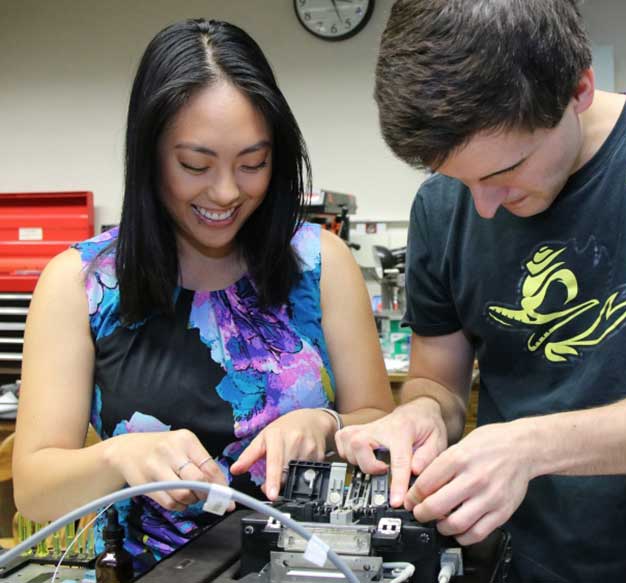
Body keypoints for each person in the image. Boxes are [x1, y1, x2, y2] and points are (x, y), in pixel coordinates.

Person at [335, 1, 626, 581]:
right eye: (459, 178)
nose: (483, 205)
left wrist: (530, 447)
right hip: (518, 561)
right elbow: (435, 382)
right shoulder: (442, 207)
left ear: (579, 89)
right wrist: (419, 414)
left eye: (504, 172)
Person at [13, 18, 394, 572]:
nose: (226, 192)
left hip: (306, 567)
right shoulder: (80, 286)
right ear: (148, 156)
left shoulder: (321, 265)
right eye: (195, 165)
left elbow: (380, 429)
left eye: (253, 164)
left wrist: (328, 426)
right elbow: (34, 490)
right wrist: (122, 455)